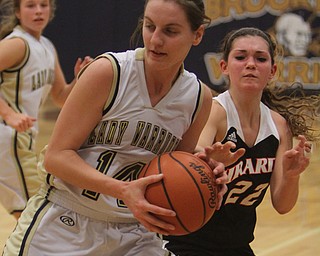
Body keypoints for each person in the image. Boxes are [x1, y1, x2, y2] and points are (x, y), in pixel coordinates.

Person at [3, 0, 228, 255]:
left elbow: (173, 166)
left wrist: (204, 171)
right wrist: (122, 190)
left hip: (135, 232)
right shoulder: (109, 72)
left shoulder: (199, 97)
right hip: (65, 223)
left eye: (170, 31)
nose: (155, 40)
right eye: (149, 26)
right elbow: (56, 157)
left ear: (197, 35)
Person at [165, 27, 319, 255]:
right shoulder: (215, 112)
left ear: (272, 70)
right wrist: (207, 160)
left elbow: (283, 205)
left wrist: (291, 174)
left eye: (260, 58)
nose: (250, 64)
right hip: (187, 244)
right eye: (240, 57)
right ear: (224, 67)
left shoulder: (279, 126)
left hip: (237, 246)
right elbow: (191, 157)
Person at [0, 0, 91, 220]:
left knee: (31, 213)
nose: (39, 10)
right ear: (17, 12)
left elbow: (60, 97)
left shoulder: (47, 46)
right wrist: (8, 113)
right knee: (38, 211)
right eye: (31, 5)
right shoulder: (18, 44)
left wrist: (79, 79)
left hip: (21, 139)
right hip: (9, 137)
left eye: (43, 4)